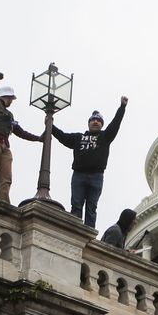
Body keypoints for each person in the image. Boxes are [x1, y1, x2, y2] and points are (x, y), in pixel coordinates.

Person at [52, 96, 128, 228]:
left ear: (102, 124)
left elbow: (115, 123)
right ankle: (73, 231)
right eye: (93, 120)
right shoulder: (78, 137)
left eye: (98, 121)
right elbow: (63, 136)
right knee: (76, 206)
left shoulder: (105, 137)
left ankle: (88, 235)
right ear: (88, 123)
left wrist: (122, 107)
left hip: (96, 176)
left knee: (91, 208)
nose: (95, 122)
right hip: (79, 175)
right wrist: (50, 125)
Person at [0, 72, 41, 203]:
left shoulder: (9, 115)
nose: (12, 101)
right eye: (11, 99)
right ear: (7, 97)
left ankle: (4, 203)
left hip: (4, 145)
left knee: (6, 179)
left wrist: (38, 138)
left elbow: (20, 132)